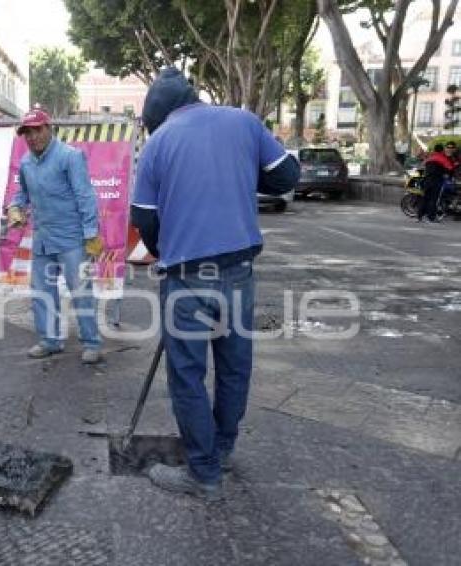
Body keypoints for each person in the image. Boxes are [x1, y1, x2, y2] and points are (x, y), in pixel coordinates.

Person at [131, 68, 299, 501]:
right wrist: (241, 171)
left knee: (187, 375)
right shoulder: (244, 122)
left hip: (186, 278)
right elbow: (286, 177)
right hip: (238, 274)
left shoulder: (158, 144)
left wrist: (164, 246)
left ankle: (203, 473)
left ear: (158, 116)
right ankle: (222, 450)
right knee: (233, 366)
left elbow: (145, 220)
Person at [6, 107, 103, 364]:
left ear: (49, 128)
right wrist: (15, 208)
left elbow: (85, 196)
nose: (33, 137)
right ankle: (49, 341)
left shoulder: (70, 157)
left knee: (81, 290)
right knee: (41, 291)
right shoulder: (26, 162)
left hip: (72, 238)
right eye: (27, 132)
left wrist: (91, 234)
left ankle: (92, 343)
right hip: (43, 238)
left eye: (37, 130)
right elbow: (22, 195)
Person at [417, 143, 455, 223]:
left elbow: (422, 165)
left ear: (434, 150)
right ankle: (431, 217)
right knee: (433, 199)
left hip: (426, 180)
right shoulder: (442, 158)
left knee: (425, 198)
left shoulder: (430, 157)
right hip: (436, 181)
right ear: (442, 150)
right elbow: (450, 169)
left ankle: (420, 216)